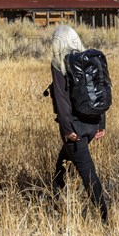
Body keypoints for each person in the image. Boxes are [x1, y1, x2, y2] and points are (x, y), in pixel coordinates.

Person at [48, 25, 108, 223]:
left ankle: (104, 216)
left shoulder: (59, 63)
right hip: (92, 124)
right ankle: (55, 201)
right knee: (62, 163)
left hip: (75, 129)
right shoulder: (87, 60)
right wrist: (101, 124)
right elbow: (99, 91)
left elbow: (62, 100)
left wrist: (66, 129)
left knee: (88, 173)